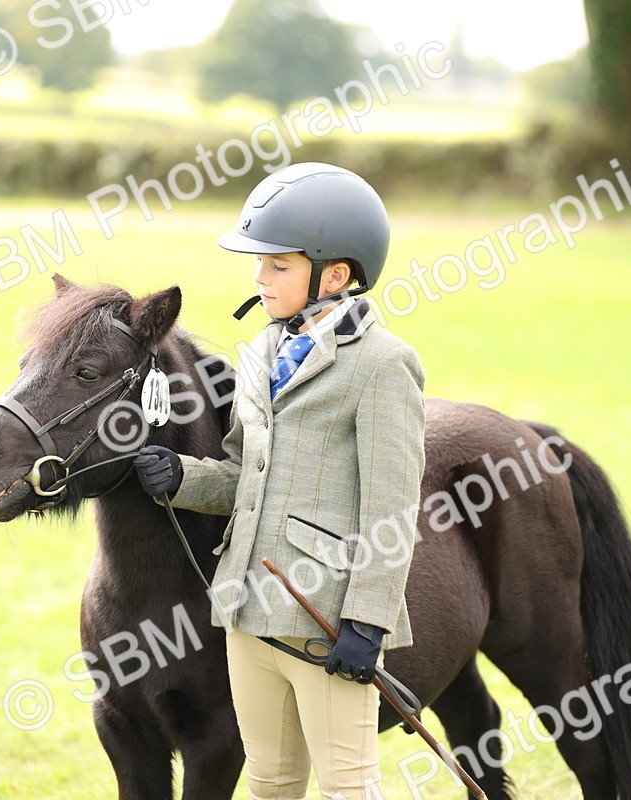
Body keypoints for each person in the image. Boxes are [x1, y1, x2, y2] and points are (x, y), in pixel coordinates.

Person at [134, 162, 426, 799]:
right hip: (247, 608)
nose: (259, 278)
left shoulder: (382, 366)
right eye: (258, 264)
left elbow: (392, 507)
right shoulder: (263, 353)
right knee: (269, 779)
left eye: (278, 265)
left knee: (347, 785)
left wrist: (368, 622)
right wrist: (181, 477)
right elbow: (245, 475)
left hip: (325, 616)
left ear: (336, 275)